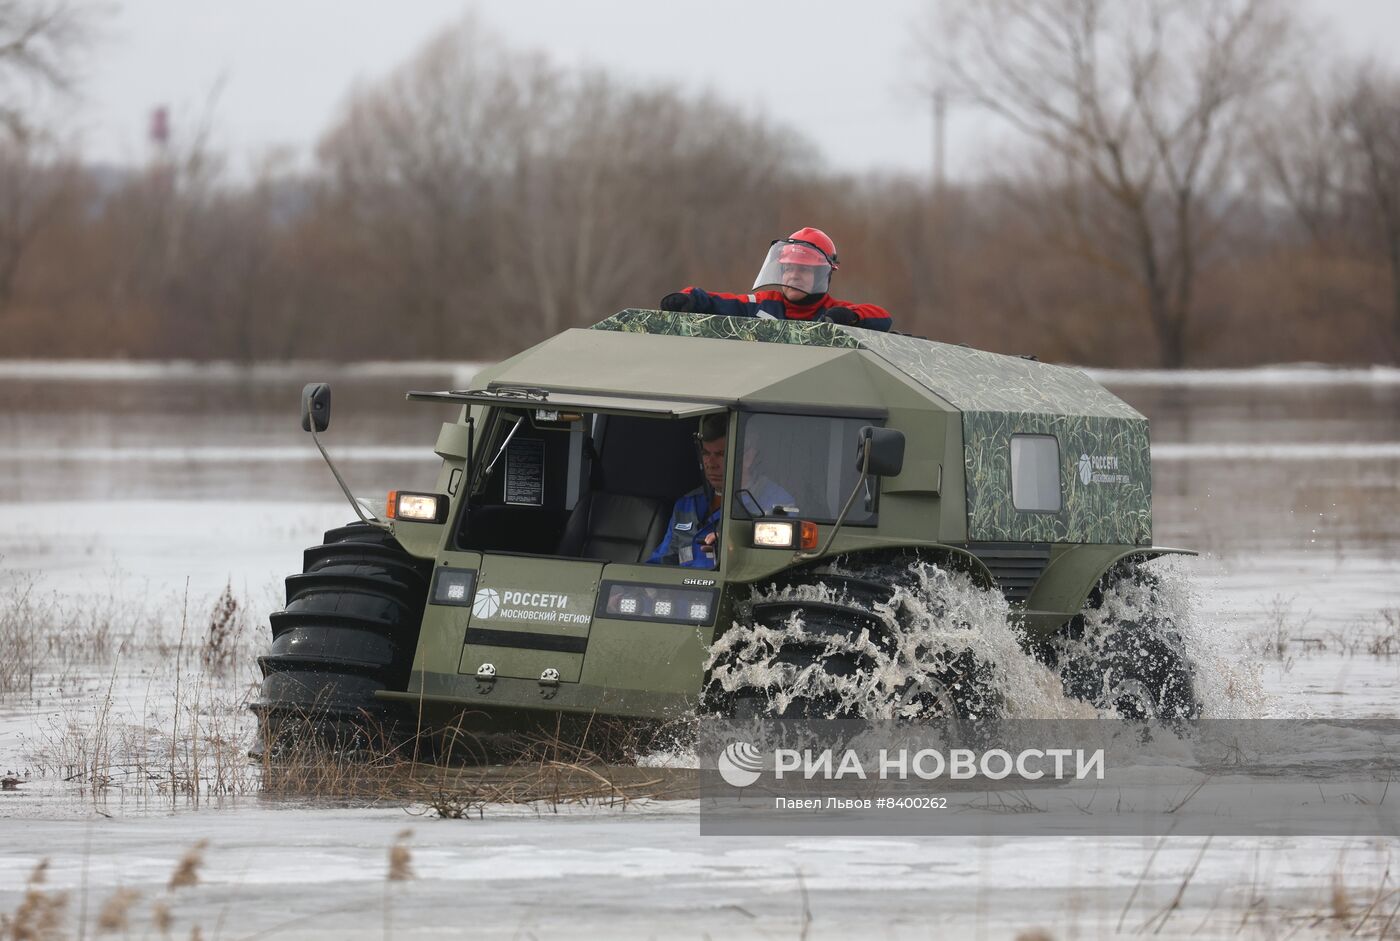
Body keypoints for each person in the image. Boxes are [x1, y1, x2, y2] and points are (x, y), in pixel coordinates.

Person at [658, 227, 893, 332]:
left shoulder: (834, 312)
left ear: (823, 274)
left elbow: (882, 317)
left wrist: (852, 317)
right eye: (788, 269)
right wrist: (688, 297)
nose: (793, 276)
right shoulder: (761, 304)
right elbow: (716, 301)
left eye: (803, 270)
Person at [647, 415, 794, 569]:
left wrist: (733, 545)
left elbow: (776, 562)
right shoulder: (687, 503)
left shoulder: (775, 504)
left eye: (721, 455)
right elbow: (662, 560)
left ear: (748, 457)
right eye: (705, 453)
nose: (711, 464)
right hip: (685, 591)